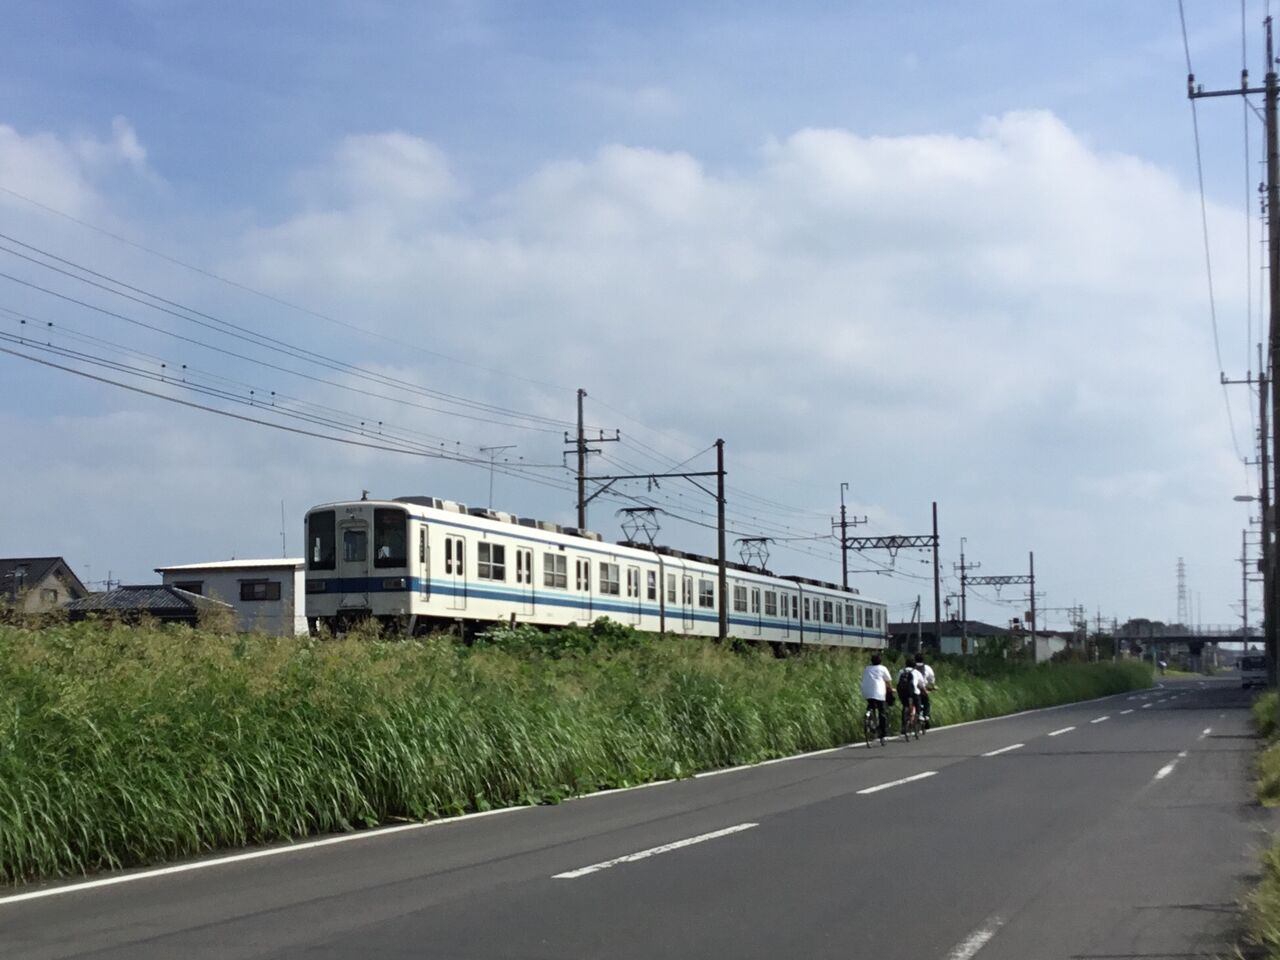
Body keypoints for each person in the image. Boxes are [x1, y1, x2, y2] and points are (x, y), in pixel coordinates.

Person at [860, 653, 893, 742]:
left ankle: (869, 719)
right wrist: (890, 689)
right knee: (882, 712)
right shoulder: (883, 668)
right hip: (879, 693)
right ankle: (882, 734)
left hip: (867, 692)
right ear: (880, 661)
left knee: (871, 706)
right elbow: (888, 681)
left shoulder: (867, 668)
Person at [896, 659, 924, 735]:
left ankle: (903, 725)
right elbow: (922, 684)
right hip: (913, 692)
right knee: (917, 704)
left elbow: (897, 682)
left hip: (902, 692)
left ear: (906, 664)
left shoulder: (901, 671)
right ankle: (918, 717)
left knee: (905, 706)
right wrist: (924, 690)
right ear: (914, 665)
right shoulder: (916, 672)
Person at [914, 652, 937, 727]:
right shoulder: (927, 667)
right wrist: (933, 686)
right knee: (926, 702)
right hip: (923, 688)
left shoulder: (912, 666)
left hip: (912, 688)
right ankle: (926, 716)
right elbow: (931, 678)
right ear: (923, 660)